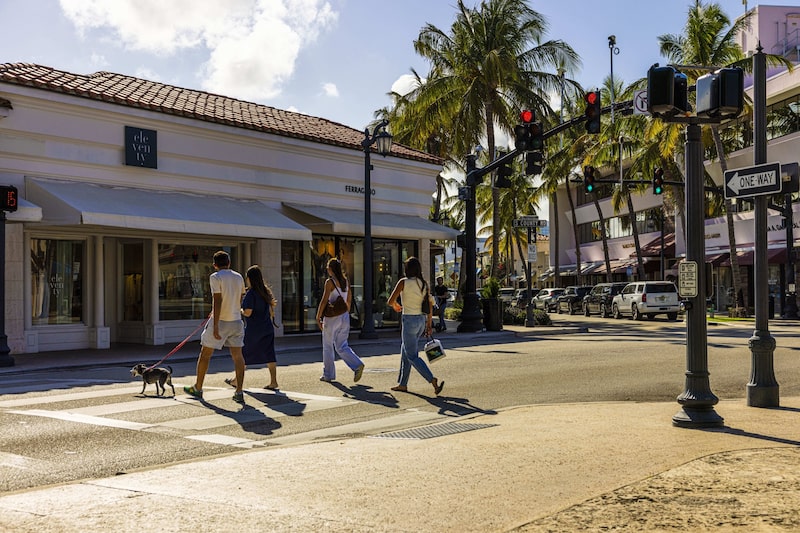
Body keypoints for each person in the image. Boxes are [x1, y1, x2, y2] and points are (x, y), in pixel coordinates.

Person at [184, 250, 247, 404]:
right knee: (238, 356)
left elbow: (217, 300)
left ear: (214, 265)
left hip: (221, 320)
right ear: (229, 263)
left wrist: (216, 324)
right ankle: (239, 391)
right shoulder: (238, 277)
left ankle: (198, 388)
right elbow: (240, 298)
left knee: (205, 354)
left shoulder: (215, 277)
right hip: (236, 320)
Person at [386, 257, 444, 396]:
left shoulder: (403, 282)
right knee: (405, 351)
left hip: (409, 320)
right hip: (421, 321)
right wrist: (429, 325)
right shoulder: (423, 284)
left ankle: (432, 380)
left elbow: (390, 301)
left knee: (412, 356)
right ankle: (402, 384)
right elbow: (430, 305)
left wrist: (396, 305)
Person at [224, 265, 279, 391]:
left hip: (254, 329)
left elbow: (248, 313)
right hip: (267, 327)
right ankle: (273, 381)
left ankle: (236, 381)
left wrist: (239, 310)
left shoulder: (251, 294)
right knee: (269, 354)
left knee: (243, 355)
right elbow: (271, 311)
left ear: (249, 278)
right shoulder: (265, 292)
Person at [315, 257, 365, 383]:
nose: (327, 269)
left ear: (331, 269)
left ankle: (328, 374)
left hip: (332, 317)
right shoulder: (345, 281)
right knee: (342, 345)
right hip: (344, 316)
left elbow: (324, 300)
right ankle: (357, 364)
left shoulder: (330, 282)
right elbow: (349, 299)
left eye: (328, 267)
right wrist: (345, 311)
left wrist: (318, 316)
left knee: (328, 345)